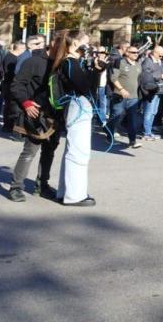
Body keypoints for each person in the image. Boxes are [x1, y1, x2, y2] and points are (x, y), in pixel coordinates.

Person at [53, 30, 107, 206]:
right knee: (79, 152)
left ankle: (66, 191)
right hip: (78, 106)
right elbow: (84, 86)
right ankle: (75, 195)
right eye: (86, 42)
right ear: (75, 43)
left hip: (79, 106)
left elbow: (88, 85)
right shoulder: (70, 63)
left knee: (74, 150)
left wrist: (96, 70)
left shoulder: (74, 62)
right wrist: (94, 70)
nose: (89, 46)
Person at [7, 34, 62, 202]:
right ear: (53, 43)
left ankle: (42, 185)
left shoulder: (62, 64)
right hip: (36, 115)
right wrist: (26, 103)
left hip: (56, 115)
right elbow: (16, 85)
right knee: (29, 152)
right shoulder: (34, 61)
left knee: (50, 151)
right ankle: (16, 187)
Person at [108, 44, 143, 149]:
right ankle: (109, 135)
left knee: (132, 119)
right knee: (116, 117)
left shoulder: (138, 64)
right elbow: (113, 78)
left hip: (134, 97)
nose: (136, 54)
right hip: (119, 96)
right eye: (133, 52)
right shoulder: (120, 62)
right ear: (127, 53)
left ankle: (132, 141)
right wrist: (121, 89)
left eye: (137, 52)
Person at [139, 44, 163, 142]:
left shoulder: (158, 61)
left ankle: (149, 131)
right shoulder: (147, 61)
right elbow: (145, 74)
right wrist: (161, 75)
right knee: (149, 112)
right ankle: (146, 133)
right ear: (155, 53)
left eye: (162, 56)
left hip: (158, 90)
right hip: (151, 90)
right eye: (160, 55)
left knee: (153, 112)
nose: (161, 57)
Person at [0, 41, 26, 133]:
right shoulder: (11, 58)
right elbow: (10, 72)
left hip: (8, 83)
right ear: (20, 48)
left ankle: (8, 125)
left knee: (9, 105)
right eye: (24, 49)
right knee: (9, 106)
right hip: (9, 84)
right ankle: (7, 125)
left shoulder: (13, 57)